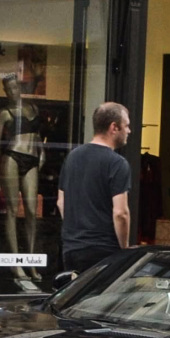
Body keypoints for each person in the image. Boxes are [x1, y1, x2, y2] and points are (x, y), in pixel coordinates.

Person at [57, 101, 134, 277]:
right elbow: (120, 213)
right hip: (104, 251)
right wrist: (125, 249)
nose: (129, 130)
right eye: (126, 125)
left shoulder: (72, 157)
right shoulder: (117, 163)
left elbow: (61, 202)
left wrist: (76, 232)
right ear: (114, 127)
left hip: (71, 248)